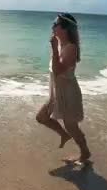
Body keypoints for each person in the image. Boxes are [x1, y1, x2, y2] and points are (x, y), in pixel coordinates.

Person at [36, 13, 91, 163]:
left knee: (72, 127)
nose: (52, 26)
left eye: (56, 24)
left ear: (65, 29)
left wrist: (54, 49)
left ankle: (85, 153)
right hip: (56, 93)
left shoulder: (71, 48)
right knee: (41, 117)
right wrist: (55, 47)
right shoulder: (61, 45)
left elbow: (58, 70)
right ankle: (64, 135)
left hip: (68, 94)